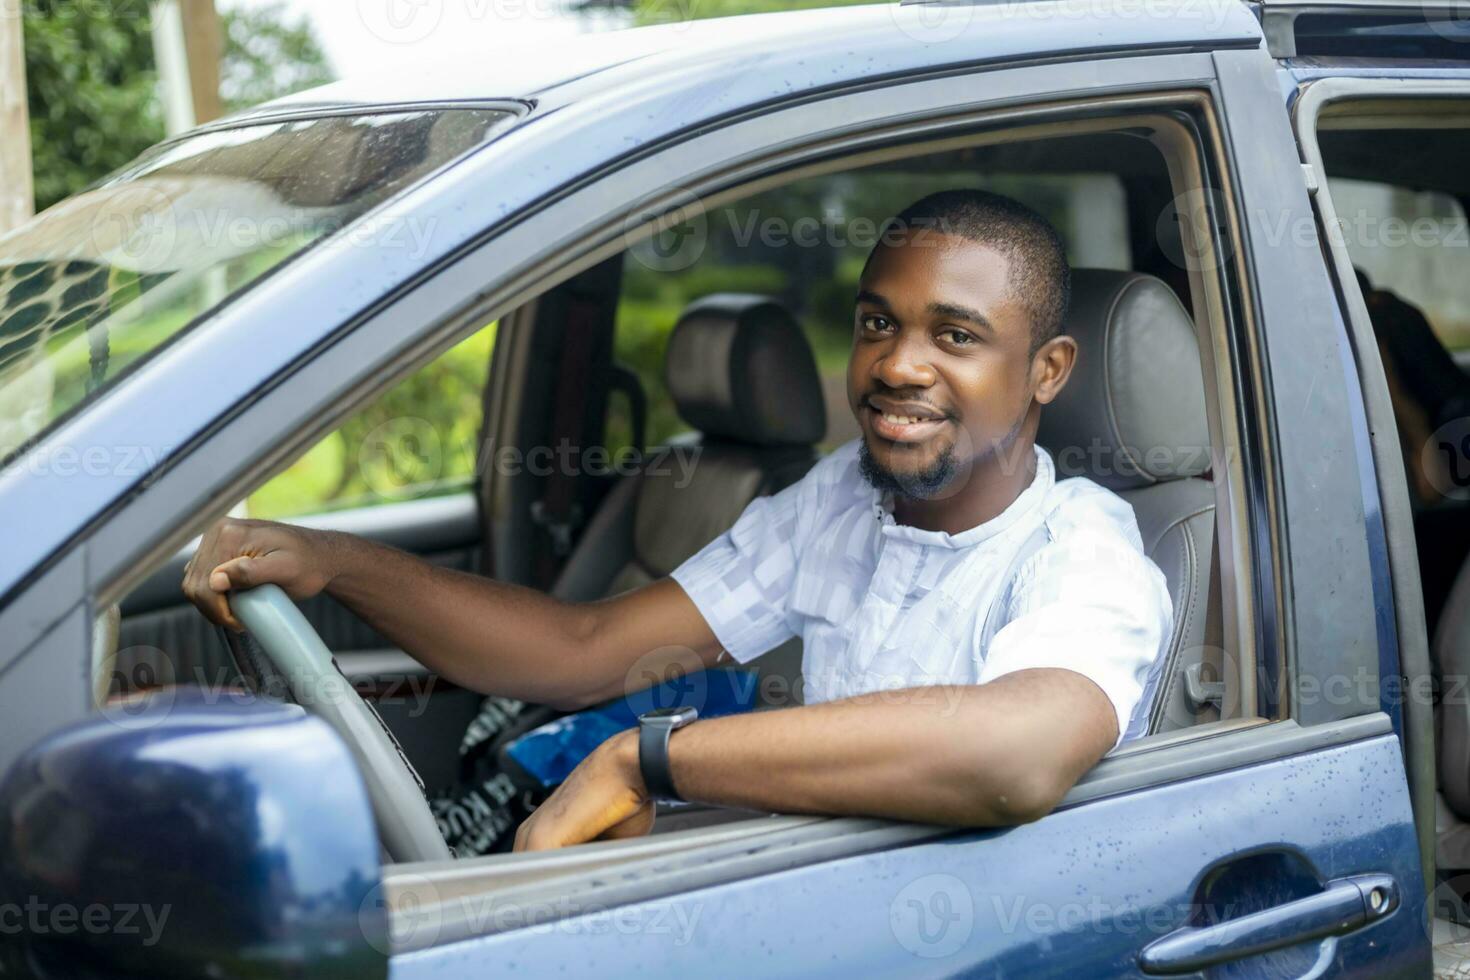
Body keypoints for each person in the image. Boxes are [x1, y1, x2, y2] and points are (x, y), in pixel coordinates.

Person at [182, 189, 1172, 852]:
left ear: (1048, 370)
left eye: (956, 336)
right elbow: (581, 647)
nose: (898, 364)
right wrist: (336, 560)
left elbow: (1014, 751)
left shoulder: (1081, 549)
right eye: (878, 323)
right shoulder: (844, 498)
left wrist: (648, 754)